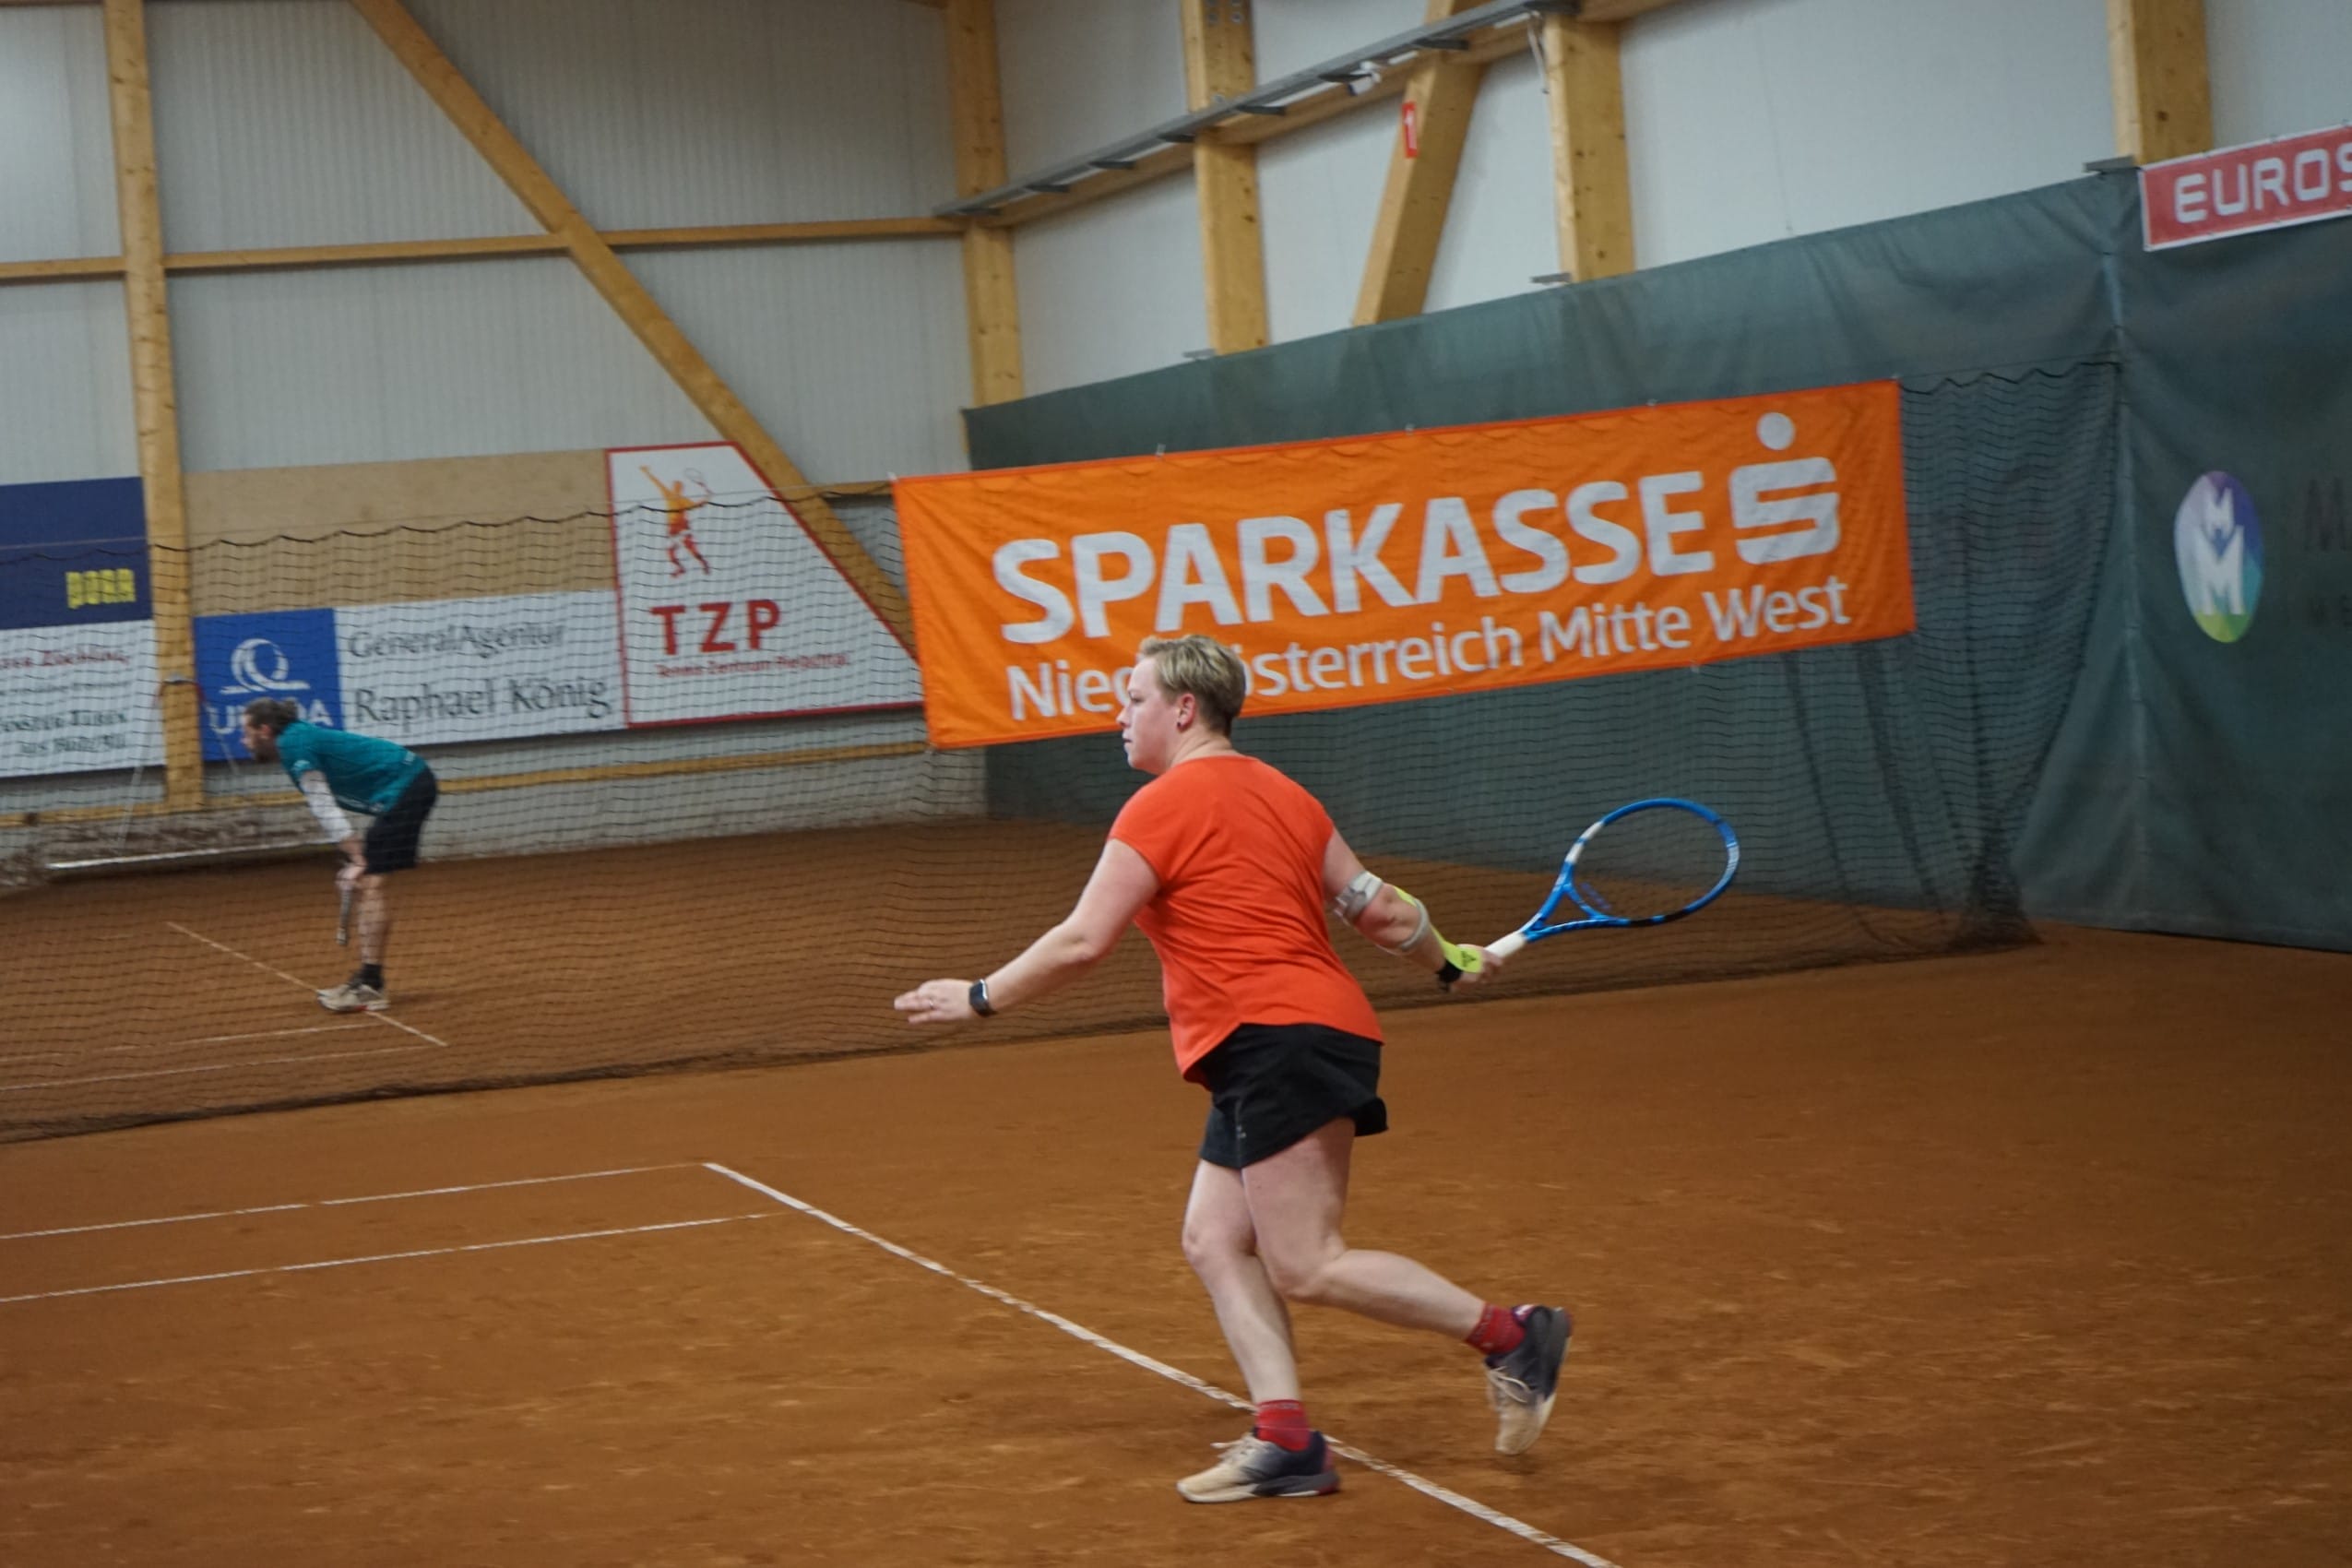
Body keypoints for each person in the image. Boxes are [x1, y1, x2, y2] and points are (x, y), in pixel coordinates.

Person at [894, 634, 1571, 1503]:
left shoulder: (1159, 807)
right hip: (1288, 1039)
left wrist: (980, 997)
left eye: (1133, 699)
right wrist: (1449, 961)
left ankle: (1512, 1335)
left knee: (1307, 1263)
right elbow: (1386, 915)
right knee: (1214, 1240)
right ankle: (1286, 1440)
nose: (1119, 716)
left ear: (1184, 709)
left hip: (1274, 1040)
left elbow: (1083, 940)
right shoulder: (1289, 795)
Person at [240, 697, 439, 1015]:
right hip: (404, 787)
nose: (243, 740)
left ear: (264, 730)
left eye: (246, 733)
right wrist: (356, 857)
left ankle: (371, 986)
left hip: (407, 787)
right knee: (366, 882)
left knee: (370, 882)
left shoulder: (295, 744)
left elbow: (323, 805)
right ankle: (368, 979)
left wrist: (357, 858)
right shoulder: (295, 740)